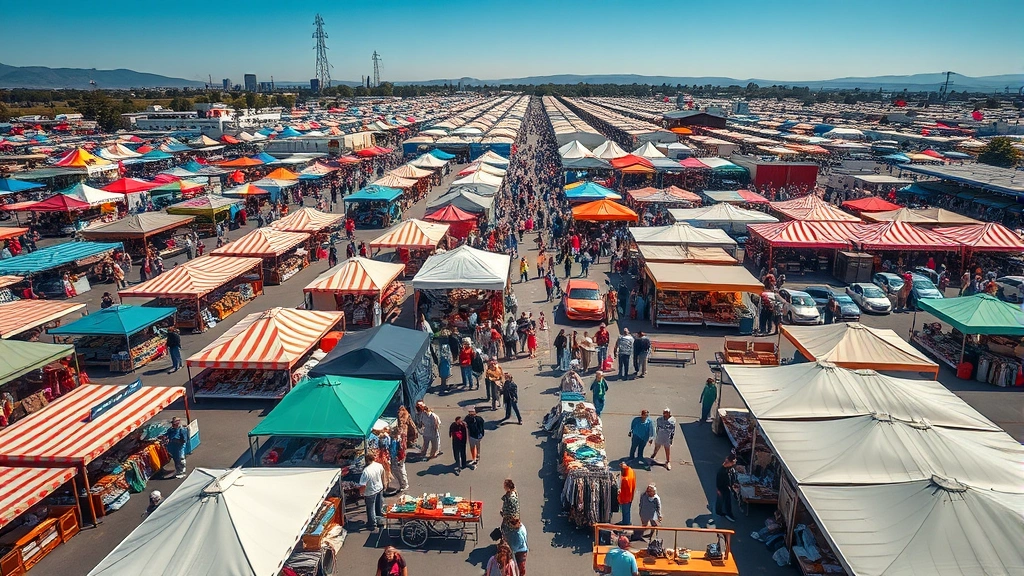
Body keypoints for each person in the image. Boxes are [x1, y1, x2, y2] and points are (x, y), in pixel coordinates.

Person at [359, 454, 386, 530]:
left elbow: (363, 485)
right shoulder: (379, 465)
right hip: (379, 488)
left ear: (367, 461)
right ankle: (380, 520)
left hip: (370, 491)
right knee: (379, 506)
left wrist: (361, 493)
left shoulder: (366, 471)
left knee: (370, 508)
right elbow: (382, 475)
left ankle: (372, 523)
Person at [715, 455, 737, 522]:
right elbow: (718, 481)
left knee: (723, 500)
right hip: (722, 488)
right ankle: (727, 513)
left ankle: (719, 511)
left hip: (725, 487)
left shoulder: (728, 468)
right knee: (724, 500)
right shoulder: (722, 472)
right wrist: (718, 489)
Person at [389, 427, 409, 493]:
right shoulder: (399, 438)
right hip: (399, 456)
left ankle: (404, 484)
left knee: (400, 470)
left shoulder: (397, 440)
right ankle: (403, 484)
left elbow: (395, 450)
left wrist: (395, 458)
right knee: (399, 470)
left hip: (398, 457)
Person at [617, 462, 636, 526]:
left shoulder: (625, 479)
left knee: (625, 511)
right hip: (631, 496)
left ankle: (626, 523)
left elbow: (624, 491)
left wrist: (619, 496)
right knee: (627, 510)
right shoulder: (630, 470)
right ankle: (626, 521)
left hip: (625, 498)